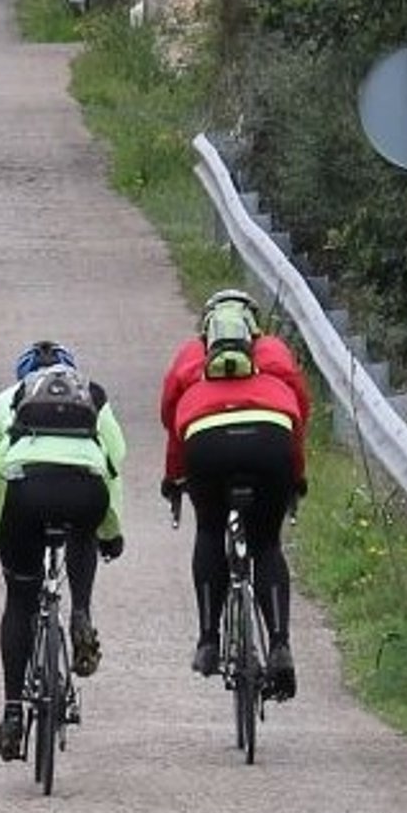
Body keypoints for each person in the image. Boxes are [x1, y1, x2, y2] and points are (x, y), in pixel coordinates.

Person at [158, 289, 312, 700]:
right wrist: (296, 475)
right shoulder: (275, 351)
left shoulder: (191, 356)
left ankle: (209, 639)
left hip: (205, 443)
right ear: (252, 324)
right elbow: (299, 415)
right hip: (270, 440)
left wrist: (173, 478)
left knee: (209, 530)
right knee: (265, 543)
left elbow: (172, 422)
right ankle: (279, 642)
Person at [0, 340, 127, 761]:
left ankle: (11, 713)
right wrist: (110, 530)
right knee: (83, 531)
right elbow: (112, 462)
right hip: (84, 493)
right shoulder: (92, 394)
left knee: (20, 599)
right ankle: (81, 611)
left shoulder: (10, 398)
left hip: (28, 494)